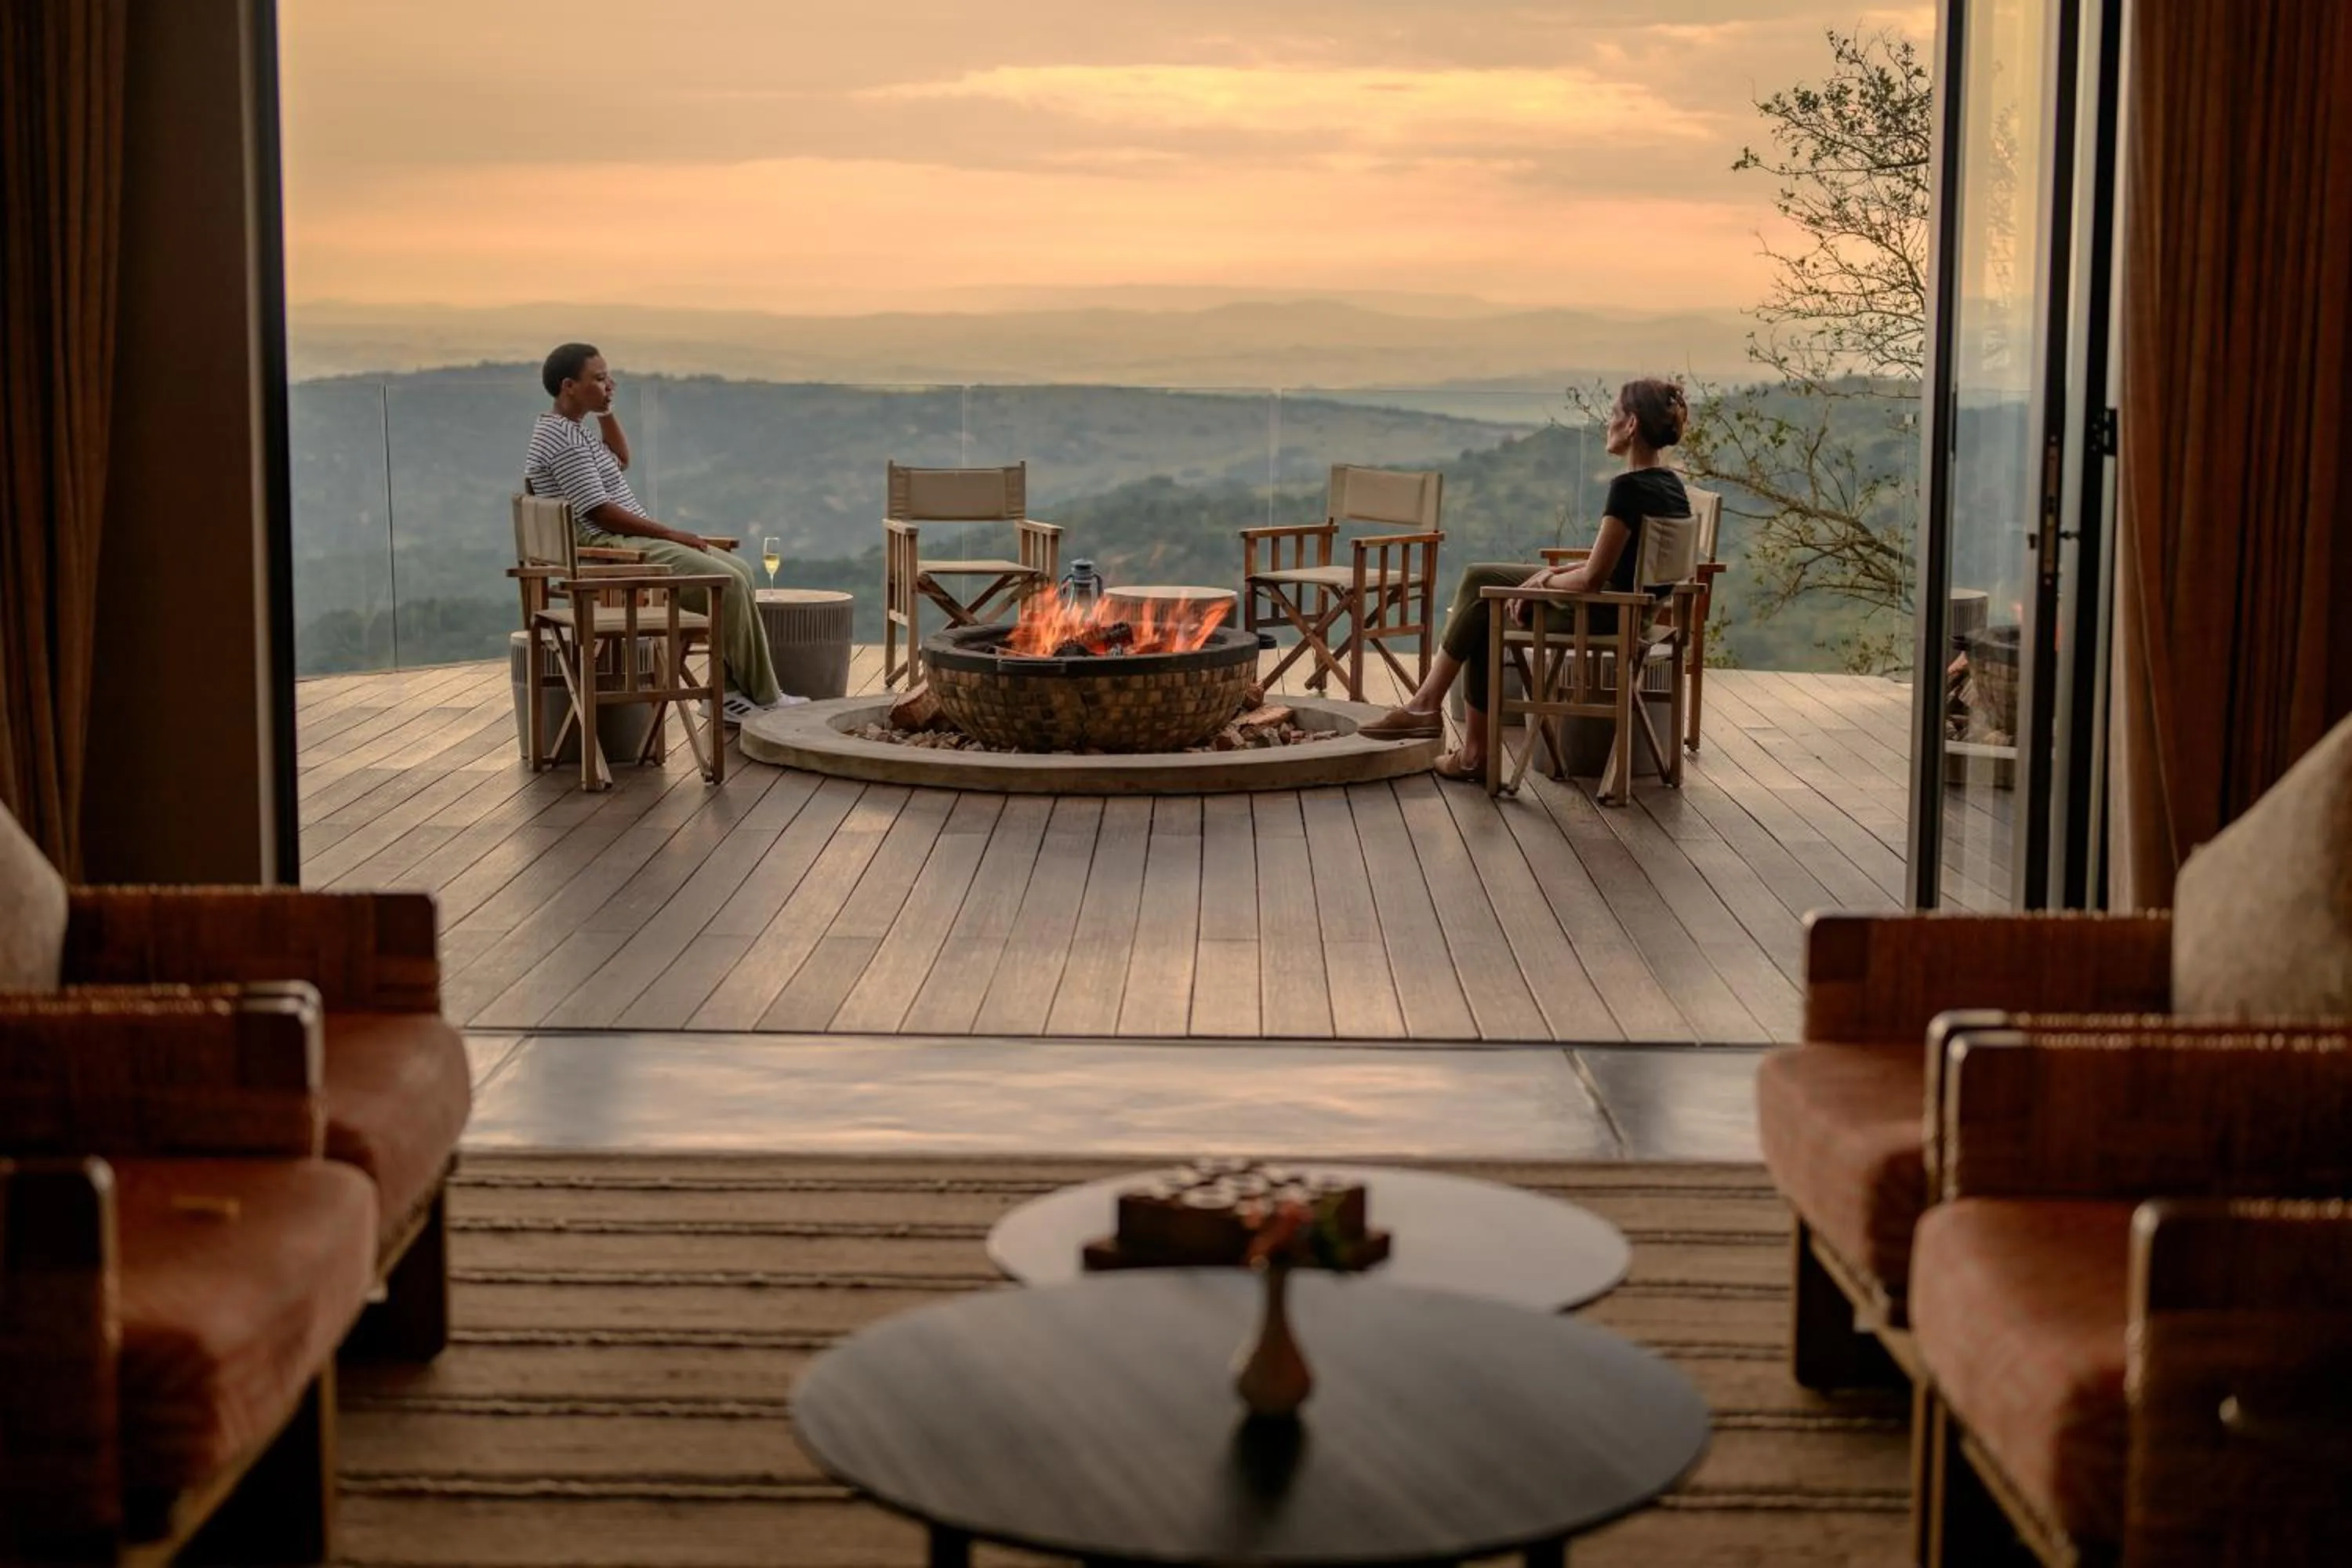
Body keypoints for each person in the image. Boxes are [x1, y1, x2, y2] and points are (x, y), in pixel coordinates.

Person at [1359, 377, 1691, 779]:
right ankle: (1440, 722)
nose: (1608, 422)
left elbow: (1591, 581)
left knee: (1485, 609)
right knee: (1480, 579)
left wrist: (1541, 585)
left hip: (1605, 613)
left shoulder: (1628, 488)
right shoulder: (1670, 485)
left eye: (1614, 414)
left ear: (1632, 424)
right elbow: (1613, 565)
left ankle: (1446, 729)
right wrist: (1549, 574)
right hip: (1631, 609)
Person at [523, 343, 800, 720]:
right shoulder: (564, 440)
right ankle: (764, 696)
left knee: (743, 573)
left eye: (609, 378)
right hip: (611, 545)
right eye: (599, 379)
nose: (609, 384)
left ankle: (730, 695)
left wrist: (606, 412)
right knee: (728, 582)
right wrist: (670, 534)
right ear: (569, 385)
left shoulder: (573, 430)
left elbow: (620, 460)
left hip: (626, 539)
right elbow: (600, 512)